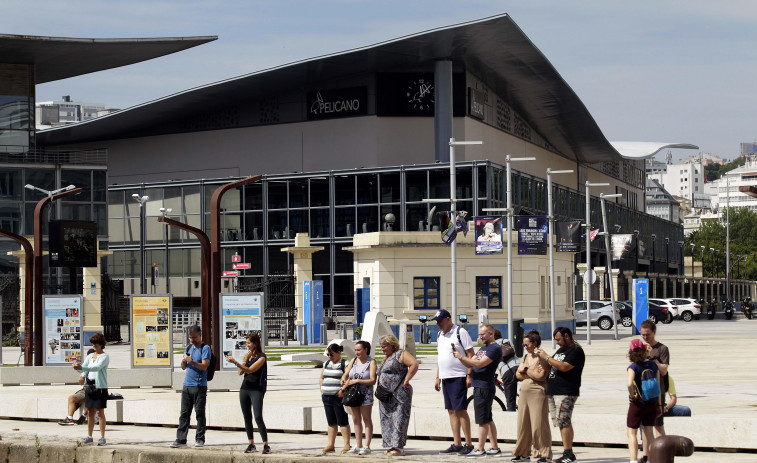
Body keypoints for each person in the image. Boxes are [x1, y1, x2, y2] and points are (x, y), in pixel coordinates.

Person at [452, 323, 502, 457]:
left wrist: (463, 358)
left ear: (490, 334)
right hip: (479, 386)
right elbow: (470, 362)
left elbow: (480, 363)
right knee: (488, 418)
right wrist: (459, 356)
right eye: (479, 334)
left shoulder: (494, 348)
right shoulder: (483, 349)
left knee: (482, 419)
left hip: (484, 386)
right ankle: (494, 447)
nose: (480, 337)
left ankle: (480, 448)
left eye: (482, 334)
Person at [536, 327, 585, 463]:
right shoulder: (561, 351)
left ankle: (568, 454)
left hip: (566, 391)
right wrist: (541, 359)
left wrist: (547, 357)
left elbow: (564, 367)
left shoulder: (576, 351)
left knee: (564, 421)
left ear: (566, 336)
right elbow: (551, 366)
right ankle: (566, 452)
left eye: (558, 339)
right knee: (559, 422)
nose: (557, 342)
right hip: (553, 391)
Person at [432, 309, 476, 455]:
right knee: (451, 410)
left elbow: (471, 354)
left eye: (440, 321)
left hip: (459, 375)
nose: (438, 324)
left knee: (460, 409)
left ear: (448, 319)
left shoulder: (460, 332)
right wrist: (438, 377)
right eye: (437, 322)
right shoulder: (440, 334)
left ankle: (468, 443)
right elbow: (441, 357)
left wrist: (468, 375)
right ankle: (456, 442)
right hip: (446, 376)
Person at [511, 330, 551, 463]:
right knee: (523, 423)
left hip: (538, 392)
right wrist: (530, 373)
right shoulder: (525, 357)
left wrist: (527, 370)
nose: (525, 347)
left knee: (538, 424)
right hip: (524, 392)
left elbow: (541, 376)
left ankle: (543, 453)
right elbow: (517, 375)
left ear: (534, 343)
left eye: (527, 344)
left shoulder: (541, 356)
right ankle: (522, 452)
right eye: (524, 345)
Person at [227, 332, 270, 454]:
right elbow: (240, 373)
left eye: (249, 343)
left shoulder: (261, 357)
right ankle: (251, 444)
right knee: (247, 417)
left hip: (256, 389)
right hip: (244, 388)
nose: (247, 346)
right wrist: (244, 360)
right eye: (246, 343)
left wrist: (236, 362)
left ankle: (266, 445)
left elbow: (250, 370)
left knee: (257, 417)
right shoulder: (248, 356)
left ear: (255, 343)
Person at [377, 334, 419, 456]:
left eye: (384, 346)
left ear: (391, 345)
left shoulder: (401, 354)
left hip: (399, 394)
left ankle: (399, 446)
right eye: (381, 347)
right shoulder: (387, 357)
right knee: (387, 420)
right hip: (386, 395)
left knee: (399, 418)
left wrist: (407, 379)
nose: (382, 349)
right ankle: (391, 445)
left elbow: (414, 364)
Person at [171, 325, 211, 449]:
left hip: (199, 386)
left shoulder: (205, 348)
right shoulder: (188, 348)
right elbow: (183, 367)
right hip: (187, 385)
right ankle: (181, 438)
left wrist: (191, 361)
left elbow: (204, 366)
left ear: (200, 336)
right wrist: (184, 361)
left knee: (199, 413)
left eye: (194, 338)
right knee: (184, 414)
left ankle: (200, 438)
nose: (192, 340)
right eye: (190, 338)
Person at [626, 339, 662, 463]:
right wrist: (659, 404)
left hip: (638, 403)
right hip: (652, 403)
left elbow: (629, 384)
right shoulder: (653, 365)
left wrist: (632, 396)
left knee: (631, 432)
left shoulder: (633, 367)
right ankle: (651, 460)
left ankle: (633, 460)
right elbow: (658, 385)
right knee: (649, 432)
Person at [341, 340, 377, 455]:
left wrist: (357, 380)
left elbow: (372, 380)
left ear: (366, 350)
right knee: (356, 419)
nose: (357, 352)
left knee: (366, 419)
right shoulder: (353, 361)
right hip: (353, 394)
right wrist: (344, 378)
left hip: (365, 394)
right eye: (355, 350)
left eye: (359, 350)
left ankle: (367, 445)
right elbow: (346, 374)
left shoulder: (371, 362)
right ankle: (358, 444)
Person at [73, 334, 109, 446]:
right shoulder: (90, 356)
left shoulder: (104, 357)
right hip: (89, 386)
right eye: (92, 343)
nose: (93, 346)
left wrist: (82, 367)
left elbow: (96, 367)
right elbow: (84, 369)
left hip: (100, 387)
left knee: (100, 411)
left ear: (101, 344)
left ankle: (102, 437)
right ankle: (90, 436)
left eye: (96, 344)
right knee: (90, 412)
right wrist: (77, 368)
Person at [319, 343, 351, 455]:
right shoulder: (326, 363)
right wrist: (322, 390)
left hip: (338, 397)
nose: (329, 356)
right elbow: (322, 377)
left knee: (342, 420)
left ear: (338, 353)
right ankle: (331, 444)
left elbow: (348, 378)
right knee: (331, 421)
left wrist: (342, 390)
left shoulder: (344, 363)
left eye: (331, 354)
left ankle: (347, 443)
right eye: (328, 354)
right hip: (326, 397)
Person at [640, 319, 669, 438]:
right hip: (642, 391)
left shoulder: (662, 349)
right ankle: (647, 453)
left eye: (648, 334)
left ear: (654, 332)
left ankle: (661, 453)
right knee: (645, 426)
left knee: (658, 424)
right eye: (643, 335)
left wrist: (652, 357)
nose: (645, 337)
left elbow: (663, 370)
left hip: (657, 392)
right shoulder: (639, 348)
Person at [59, 348, 96, 426]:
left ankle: (84, 415)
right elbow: (81, 382)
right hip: (86, 389)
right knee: (72, 398)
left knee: (91, 397)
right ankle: (69, 418)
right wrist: (81, 379)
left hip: (96, 389)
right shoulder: (86, 367)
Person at [493, 328, 520, 412]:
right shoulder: (507, 340)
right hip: (517, 367)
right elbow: (513, 352)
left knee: (510, 401)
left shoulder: (491, 346)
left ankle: (511, 416)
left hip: (506, 371)